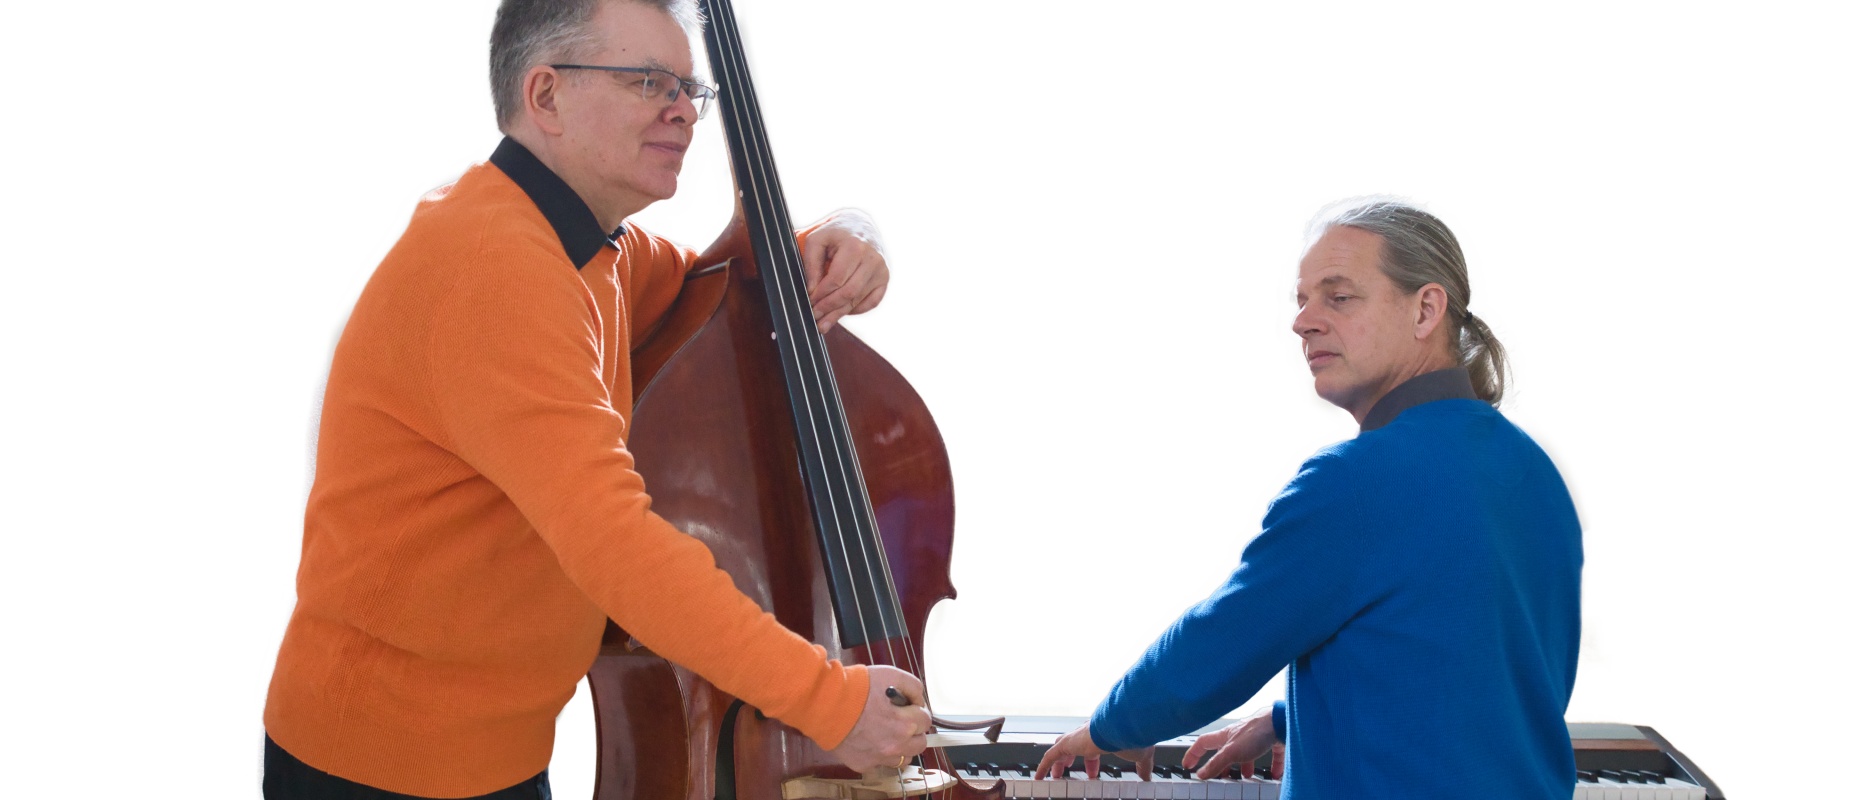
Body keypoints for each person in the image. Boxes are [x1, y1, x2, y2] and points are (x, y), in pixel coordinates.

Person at [261, 1, 928, 797]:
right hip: (381, 762)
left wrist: (852, 232)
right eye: (648, 81)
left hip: (493, 754)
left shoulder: (592, 245)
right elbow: (617, 544)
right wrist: (829, 700)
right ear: (545, 97)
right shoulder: (494, 267)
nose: (682, 108)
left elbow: (717, 284)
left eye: (686, 85)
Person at [1036, 198, 1583, 798]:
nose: (1304, 321)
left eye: (1338, 296)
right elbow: (1472, 677)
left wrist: (1111, 727)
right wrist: (1285, 721)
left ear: (1426, 309)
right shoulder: (1533, 472)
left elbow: (1218, 646)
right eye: (1301, 300)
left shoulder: (1357, 480)